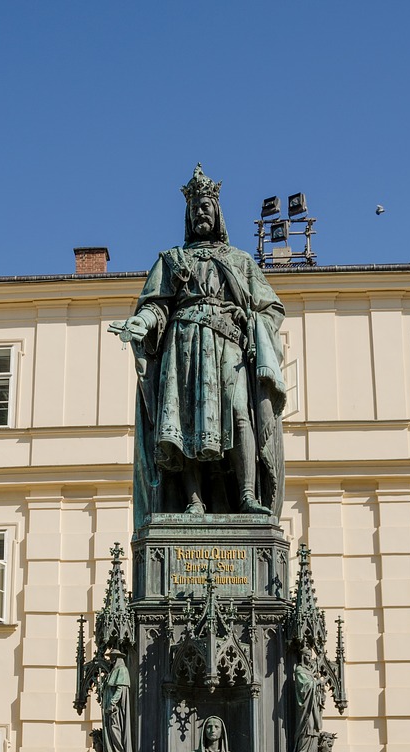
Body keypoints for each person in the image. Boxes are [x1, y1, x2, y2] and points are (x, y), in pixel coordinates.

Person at [113, 165, 286, 525]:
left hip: (230, 348)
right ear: (188, 217)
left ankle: (248, 496)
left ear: (217, 212)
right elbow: (155, 306)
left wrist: (253, 324)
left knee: (241, 414)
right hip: (185, 348)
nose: (201, 213)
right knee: (187, 421)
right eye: (195, 209)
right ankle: (193, 502)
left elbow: (271, 308)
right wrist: (139, 323)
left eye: (206, 206)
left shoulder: (241, 261)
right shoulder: (172, 260)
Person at [292, 651, 325, 752]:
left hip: (313, 705)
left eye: (310, 656)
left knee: (314, 728)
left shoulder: (308, 671)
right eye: (307, 655)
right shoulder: (299, 670)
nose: (309, 658)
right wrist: (316, 682)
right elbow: (304, 688)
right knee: (308, 726)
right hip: (306, 707)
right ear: (302, 656)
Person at [101, 650, 132, 752]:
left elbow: (120, 689)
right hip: (110, 708)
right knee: (111, 728)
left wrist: (112, 702)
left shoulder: (122, 670)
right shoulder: (113, 671)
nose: (111, 659)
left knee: (115, 728)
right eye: (111, 657)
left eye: (113, 657)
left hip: (115, 709)